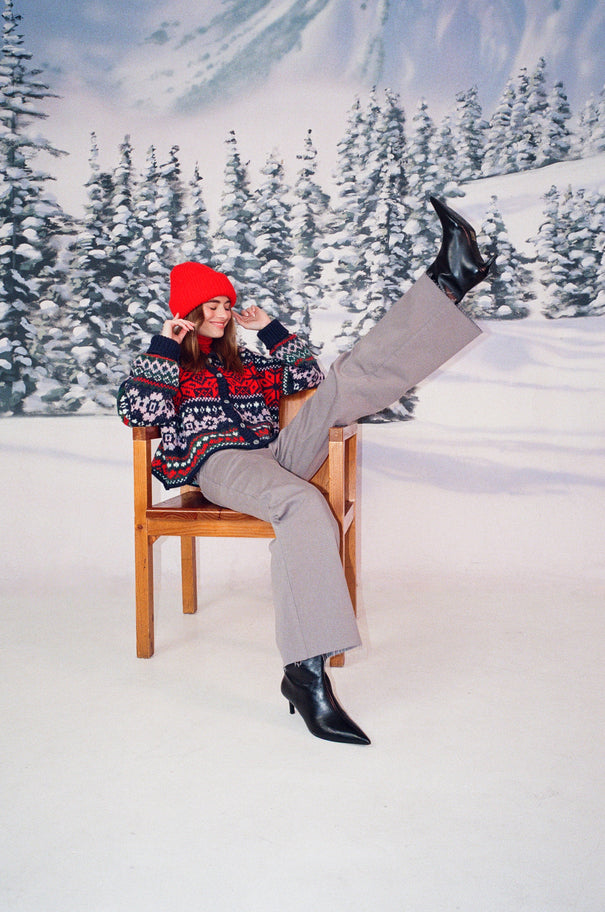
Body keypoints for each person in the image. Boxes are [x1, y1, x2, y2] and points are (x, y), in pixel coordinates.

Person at [118, 196, 494, 745]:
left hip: (274, 454)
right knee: (301, 505)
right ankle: (305, 672)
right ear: (188, 311)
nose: (223, 313)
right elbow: (139, 412)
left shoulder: (244, 363)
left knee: (340, 383)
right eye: (212, 305)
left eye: (227, 304)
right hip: (217, 464)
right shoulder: (168, 362)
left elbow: (304, 377)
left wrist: (269, 329)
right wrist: (166, 347)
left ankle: (446, 284)